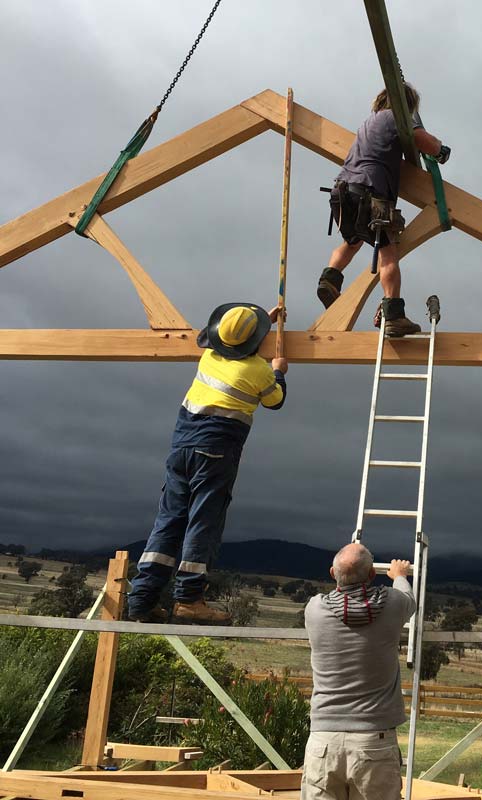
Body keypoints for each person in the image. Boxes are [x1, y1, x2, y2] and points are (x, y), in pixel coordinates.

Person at [127, 303, 288, 625]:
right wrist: (279, 371)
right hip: (214, 452)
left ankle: (141, 600)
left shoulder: (209, 357)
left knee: (169, 520)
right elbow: (276, 401)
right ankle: (188, 599)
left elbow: (232, 343)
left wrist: (262, 324)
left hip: (181, 448)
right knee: (204, 522)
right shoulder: (257, 370)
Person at [317, 83, 450, 337]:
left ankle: (330, 279)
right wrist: (441, 150)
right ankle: (393, 314)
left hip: (344, 192)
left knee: (352, 240)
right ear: (406, 106)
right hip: (371, 192)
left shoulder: (368, 124)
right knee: (388, 255)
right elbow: (426, 142)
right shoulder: (395, 118)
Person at [301, 543, 415, 800]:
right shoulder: (392, 605)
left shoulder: (314, 610)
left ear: (332, 573)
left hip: (323, 740)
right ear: (373, 575)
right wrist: (399, 576)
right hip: (374, 740)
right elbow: (409, 599)